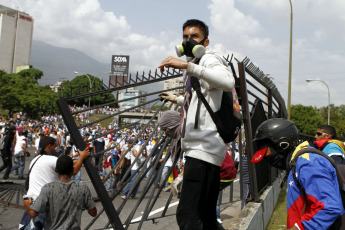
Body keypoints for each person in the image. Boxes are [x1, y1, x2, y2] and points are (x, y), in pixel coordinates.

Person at [158, 19, 234, 229]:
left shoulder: (210, 58)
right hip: (204, 148)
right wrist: (177, 99)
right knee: (206, 218)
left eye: (194, 37)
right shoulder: (198, 66)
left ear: (205, 42)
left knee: (188, 217)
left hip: (203, 147)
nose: (188, 41)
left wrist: (188, 66)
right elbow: (202, 103)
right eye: (185, 37)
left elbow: (227, 82)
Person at [251, 118, 345, 230]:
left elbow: (328, 207)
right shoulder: (297, 162)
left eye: (266, 152)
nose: (266, 157)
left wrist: (298, 228)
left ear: (282, 144)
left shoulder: (308, 163)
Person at [21, 136, 90, 230]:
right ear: (49, 146)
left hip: (32, 203)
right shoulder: (51, 159)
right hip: (44, 203)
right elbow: (71, 170)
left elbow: (67, 163)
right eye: (54, 146)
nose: (56, 148)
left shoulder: (36, 159)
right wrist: (82, 157)